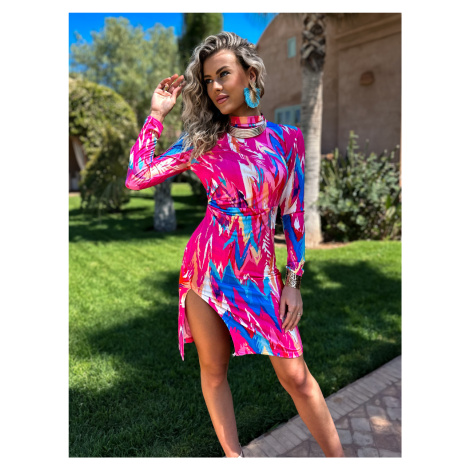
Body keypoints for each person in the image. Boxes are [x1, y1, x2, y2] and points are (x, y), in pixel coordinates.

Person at [125, 31, 344, 458]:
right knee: (213, 371)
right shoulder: (203, 140)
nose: (215, 87)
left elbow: (293, 213)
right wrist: (156, 115)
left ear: (251, 75)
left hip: (261, 273)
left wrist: (293, 281)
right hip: (207, 271)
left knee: (297, 377)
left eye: (223, 74)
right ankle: (235, 458)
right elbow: (137, 177)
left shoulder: (287, 139)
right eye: (208, 80)